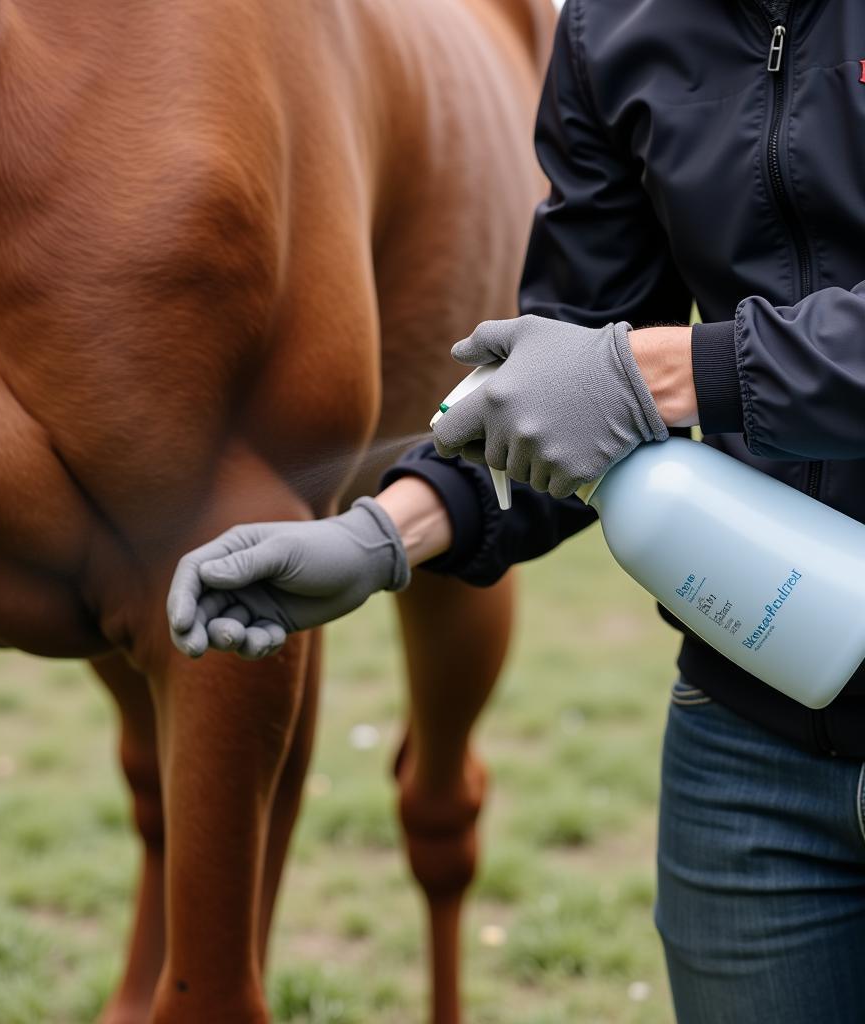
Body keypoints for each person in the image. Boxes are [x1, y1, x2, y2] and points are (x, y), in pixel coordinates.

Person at [167, 1, 865, 1020]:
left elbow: (620, 372)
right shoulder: (613, 26)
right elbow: (572, 367)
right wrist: (382, 535)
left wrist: (663, 372)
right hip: (749, 737)